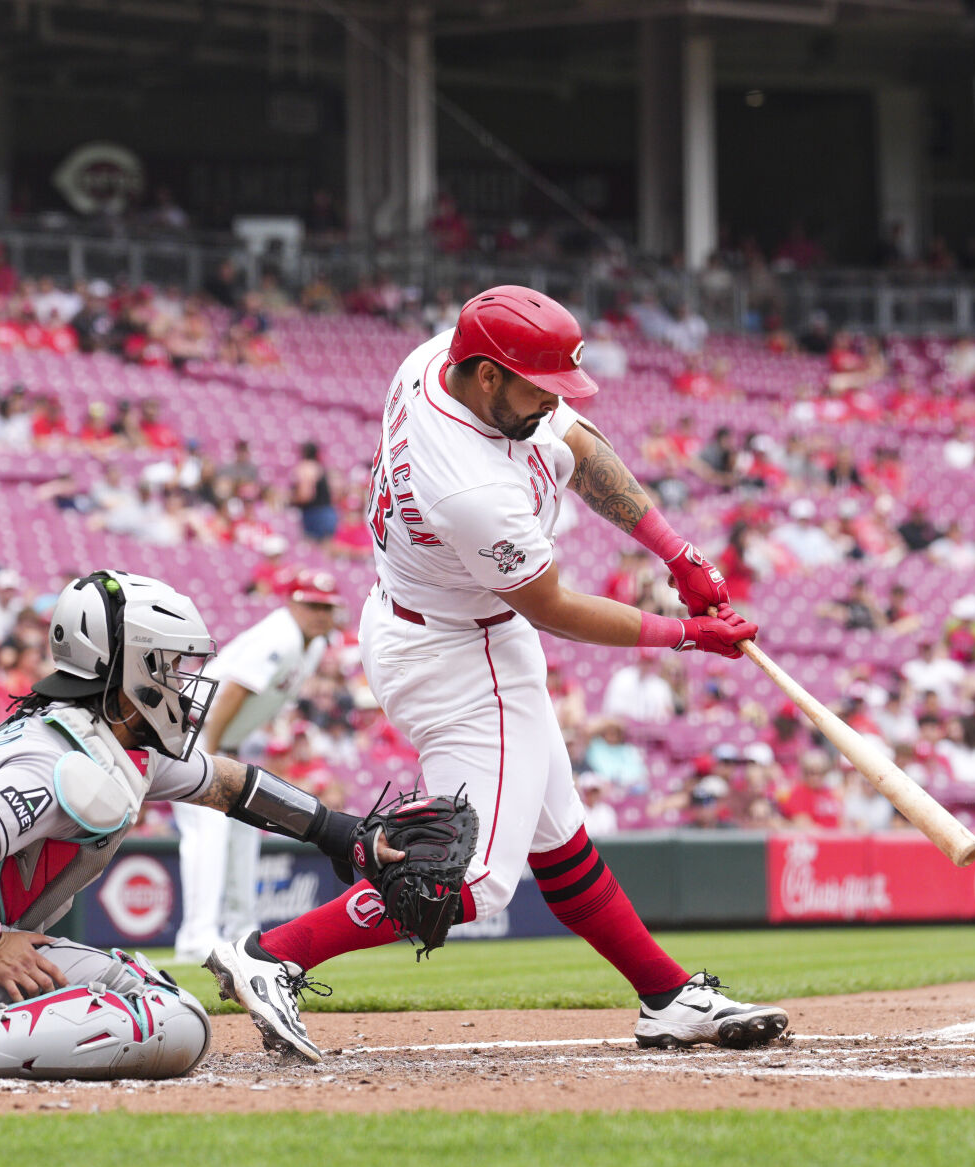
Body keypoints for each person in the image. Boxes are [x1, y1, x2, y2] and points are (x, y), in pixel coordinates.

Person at [205, 286, 787, 1062]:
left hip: (436, 621)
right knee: (467, 881)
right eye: (537, 388)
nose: (551, 404)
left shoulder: (442, 358)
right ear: (486, 376)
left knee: (559, 842)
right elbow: (550, 605)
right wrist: (686, 634)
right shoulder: (470, 487)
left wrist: (678, 553)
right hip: (460, 652)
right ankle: (274, 952)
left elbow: (579, 445)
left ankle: (665, 996)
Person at [0, 570, 398, 1083]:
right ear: (130, 665)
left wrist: (343, 833)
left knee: (143, 995)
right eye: (166, 664)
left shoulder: (89, 735)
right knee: (173, 1018)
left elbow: (229, 785)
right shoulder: (69, 757)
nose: (178, 679)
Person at [173, 570, 344, 965]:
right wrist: (210, 757)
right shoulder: (279, 636)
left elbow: (261, 705)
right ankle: (197, 936)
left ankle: (239, 928)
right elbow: (232, 692)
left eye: (327, 606)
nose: (321, 613)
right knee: (208, 831)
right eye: (312, 604)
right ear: (292, 603)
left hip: (223, 742)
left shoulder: (313, 644)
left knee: (243, 827)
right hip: (193, 733)